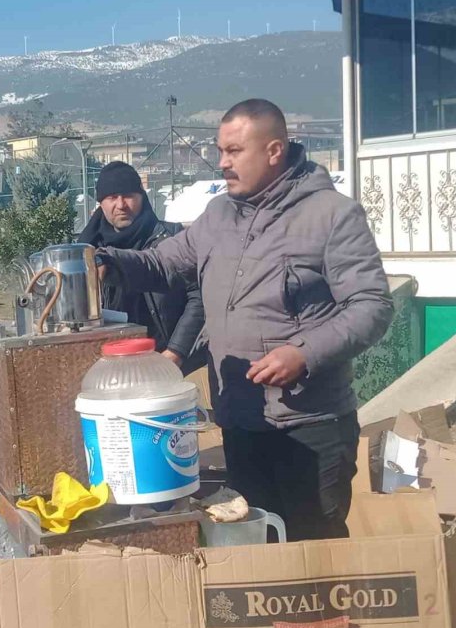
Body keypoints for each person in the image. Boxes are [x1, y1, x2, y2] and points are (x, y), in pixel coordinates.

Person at [98, 100, 392, 540]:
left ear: (274, 151)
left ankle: (320, 613)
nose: (223, 163)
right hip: (240, 418)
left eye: (234, 151)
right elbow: (163, 264)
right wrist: (105, 260)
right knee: (258, 540)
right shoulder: (218, 216)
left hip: (309, 425)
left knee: (313, 546)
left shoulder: (332, 215)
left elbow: (372, 305)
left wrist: (304, 354)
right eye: (220, 151)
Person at [79, 161, 205, 375]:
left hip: (171, 362)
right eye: (111, 197)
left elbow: (199, 297)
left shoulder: (172, 240)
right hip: (111, 365)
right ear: (101, 203)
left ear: (142, 197)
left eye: (128, 195)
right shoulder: (88, 250)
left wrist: (176, 352)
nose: (121, 204)